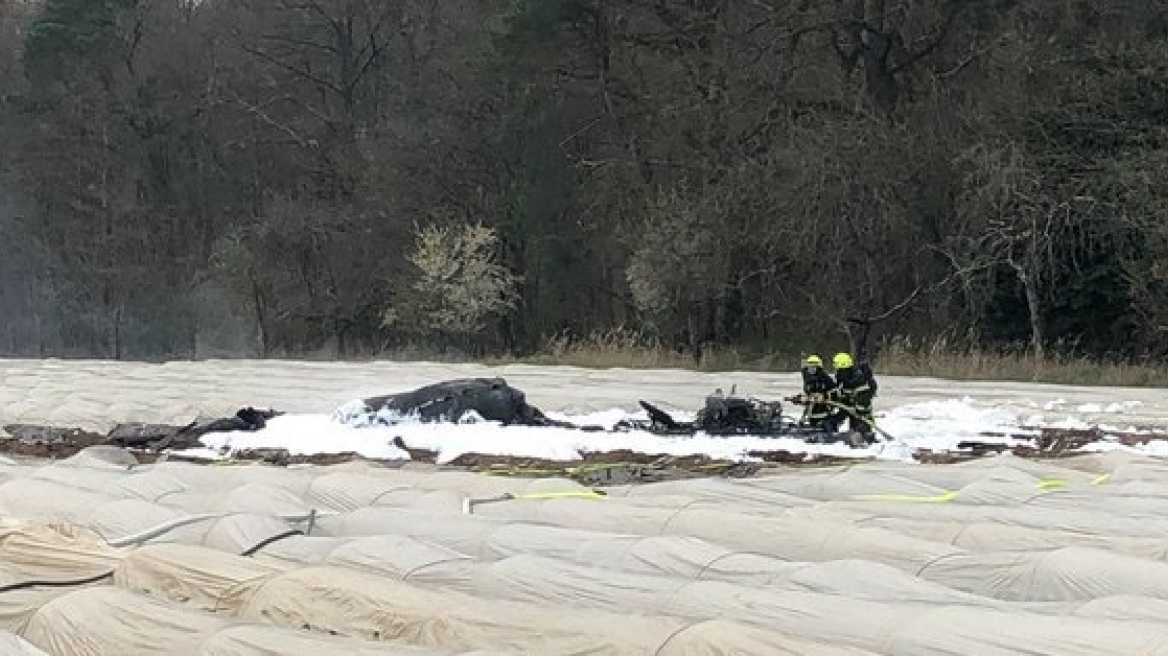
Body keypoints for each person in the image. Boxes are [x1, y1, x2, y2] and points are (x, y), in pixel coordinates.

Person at [830, 351, 878, 439]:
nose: (836, 371)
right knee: (835, 422)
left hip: (862, 416)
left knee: (859, 432)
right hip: (851, 412)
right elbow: (844, 398)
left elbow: (863, 403)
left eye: (838, 368)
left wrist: (855, 407)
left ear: (843, 367)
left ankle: (864, 433)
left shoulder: (859, 380)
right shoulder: (846, 380)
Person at [797, 354, 836, 428]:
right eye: (810, 366)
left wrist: (825, 396)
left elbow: (833, 389)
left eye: (814, 366)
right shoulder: (806, 376)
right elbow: (807, 390)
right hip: (812, 410)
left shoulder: (824, 377)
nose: (812, 369)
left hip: (824, 409)